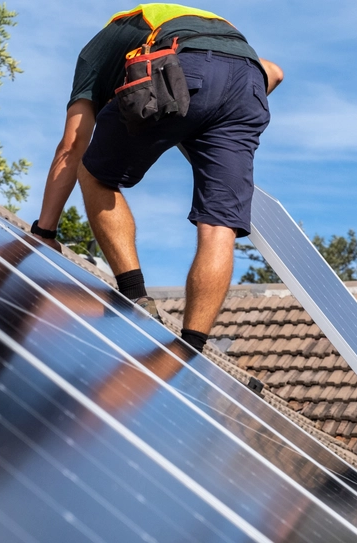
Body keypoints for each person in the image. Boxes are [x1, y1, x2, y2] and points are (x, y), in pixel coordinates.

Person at [30, 4, 283, 353]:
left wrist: (45, 232)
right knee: (218, 225)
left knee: (92, 171)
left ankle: (134, 296)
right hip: (251, 83)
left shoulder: (95, 53)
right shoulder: (189, 21)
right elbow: (275, 72)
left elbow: (72, 145)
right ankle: (192, 345)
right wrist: (210, 115)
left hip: (185, 65)